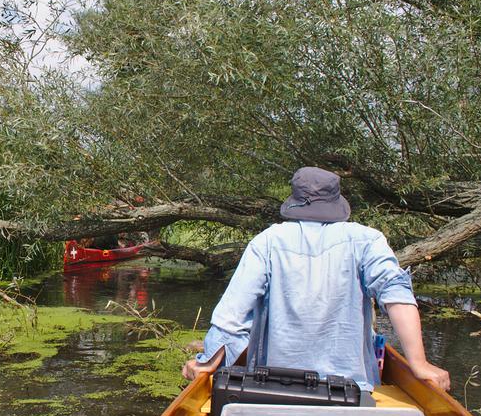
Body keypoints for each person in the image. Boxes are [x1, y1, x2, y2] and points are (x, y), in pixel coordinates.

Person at [181, 167, 450, 392]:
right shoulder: (368, 240)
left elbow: (231, 317)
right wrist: (419, 363)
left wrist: (205, 362)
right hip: (350, 389)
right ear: (335, 201)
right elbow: (396, 294)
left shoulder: (268, 241)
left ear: (295, 199)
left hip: (273, 386)